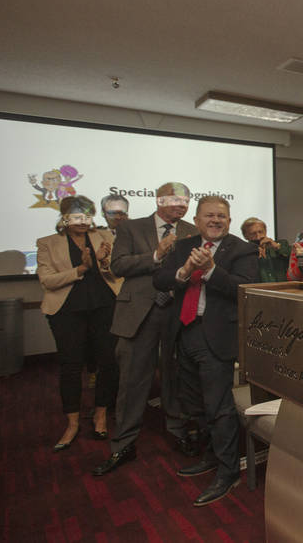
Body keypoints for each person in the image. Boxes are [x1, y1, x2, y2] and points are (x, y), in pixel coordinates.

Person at [153, 196, 258, 506]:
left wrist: (211, 270)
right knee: (195, 403)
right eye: (209, 216)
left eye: (222, 216)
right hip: (183, 332)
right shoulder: (184, 247)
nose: (216, 220)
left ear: (229, 220)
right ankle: (212, 456)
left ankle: (228, 473)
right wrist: (184, 270)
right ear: (196, 221)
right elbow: (159, 280)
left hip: (216, 338)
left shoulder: (242, 249)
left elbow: (244, 289)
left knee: (219, 406)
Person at [93, 182, 198, 476]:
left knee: (175, 374)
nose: (181, 204)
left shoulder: (192, 231)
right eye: (175, 199)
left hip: (177, 312)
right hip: (140, 312)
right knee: (133, 380)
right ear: (159, 200)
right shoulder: (131, 228)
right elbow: (118, 266)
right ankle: (123, 443)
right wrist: (155, 255)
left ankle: (178, 430)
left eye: (186, 199)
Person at [36, 196, 122, 451]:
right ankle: (72, 423)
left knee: (108, 361)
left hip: (104, 306)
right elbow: (47, 281)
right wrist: (81, 269)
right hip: (66, 311)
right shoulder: (47, 243)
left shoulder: (104, 236)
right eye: (77, 216)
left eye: (87, 215)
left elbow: (116, 273)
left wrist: (104, 261)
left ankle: (101, 414)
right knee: (71, 365)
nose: (83, 221)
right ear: (64, 218)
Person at [241, 217, 291, 282]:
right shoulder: (243, 252)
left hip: (283, 288)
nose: (258, 237)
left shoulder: (282, 244)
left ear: (265, 231)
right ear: (245, 236)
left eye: (260, 232)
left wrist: (277, 247)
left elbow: (294, 260)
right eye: (253, 233)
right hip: (258, 290)